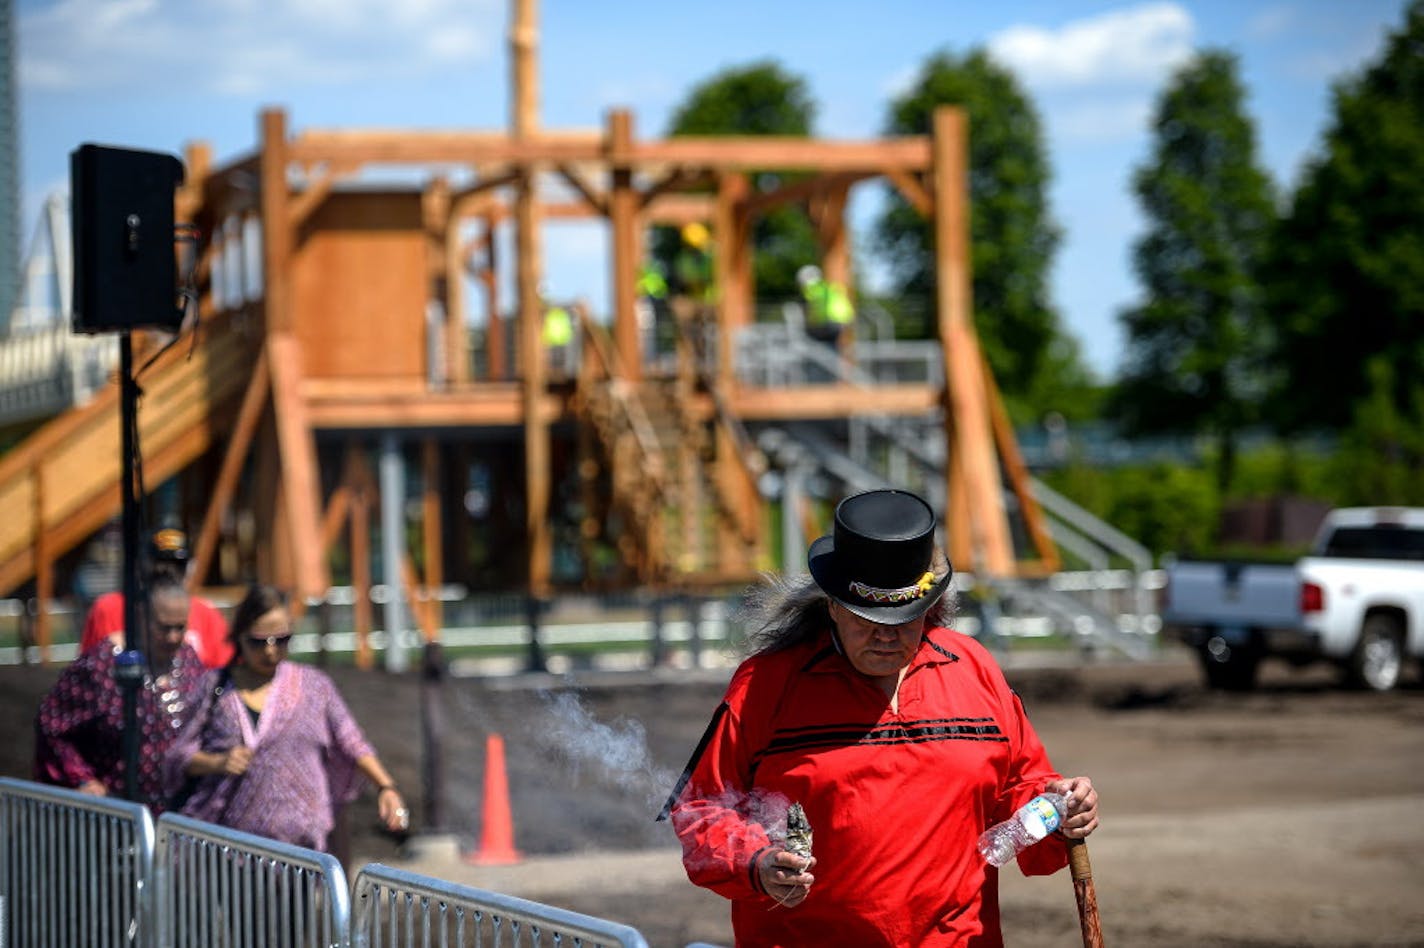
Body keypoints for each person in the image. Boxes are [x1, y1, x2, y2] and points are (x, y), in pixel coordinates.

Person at [666, 488, 1100, 947]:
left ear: (929, 607)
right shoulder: (766, 685)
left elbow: (1022, 792)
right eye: (866, 618)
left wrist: (1061, 808)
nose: (886, 636)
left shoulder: (975, 670)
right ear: (832, 605)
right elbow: (701, 811)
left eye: (904, 620)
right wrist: (755, 863)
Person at [164, 583, 409, 852]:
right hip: (231, 854)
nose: (270, 651)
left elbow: (352, 741)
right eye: (258, 641)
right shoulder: (215, 687)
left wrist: (387, 788)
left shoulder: (314, 686)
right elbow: (179, 756)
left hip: (305, 851)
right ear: (240, 636)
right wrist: (217, 761)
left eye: (281, 640)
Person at [34, 578, 209, 812]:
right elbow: (51, 723)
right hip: (115, 814)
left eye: (180, 627)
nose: (173, 637)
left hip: (178, 812)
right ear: (140, 617)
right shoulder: (102, 664)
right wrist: (82, 778)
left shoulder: (189, 660)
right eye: (164, 627)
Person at [80, 526, 232, 668]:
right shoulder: (108, 608)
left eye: (177, 565)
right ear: (141, 565)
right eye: (159, 564)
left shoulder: (206, 612)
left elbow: (221, 670)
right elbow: (89, 667)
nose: (168, 571)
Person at [797, 264, 854, 352]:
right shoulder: (828, 287)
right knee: (831, 348)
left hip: (827, 323)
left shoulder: (811, 290)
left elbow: (811, 311)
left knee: (818, 346)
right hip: (840, 323)